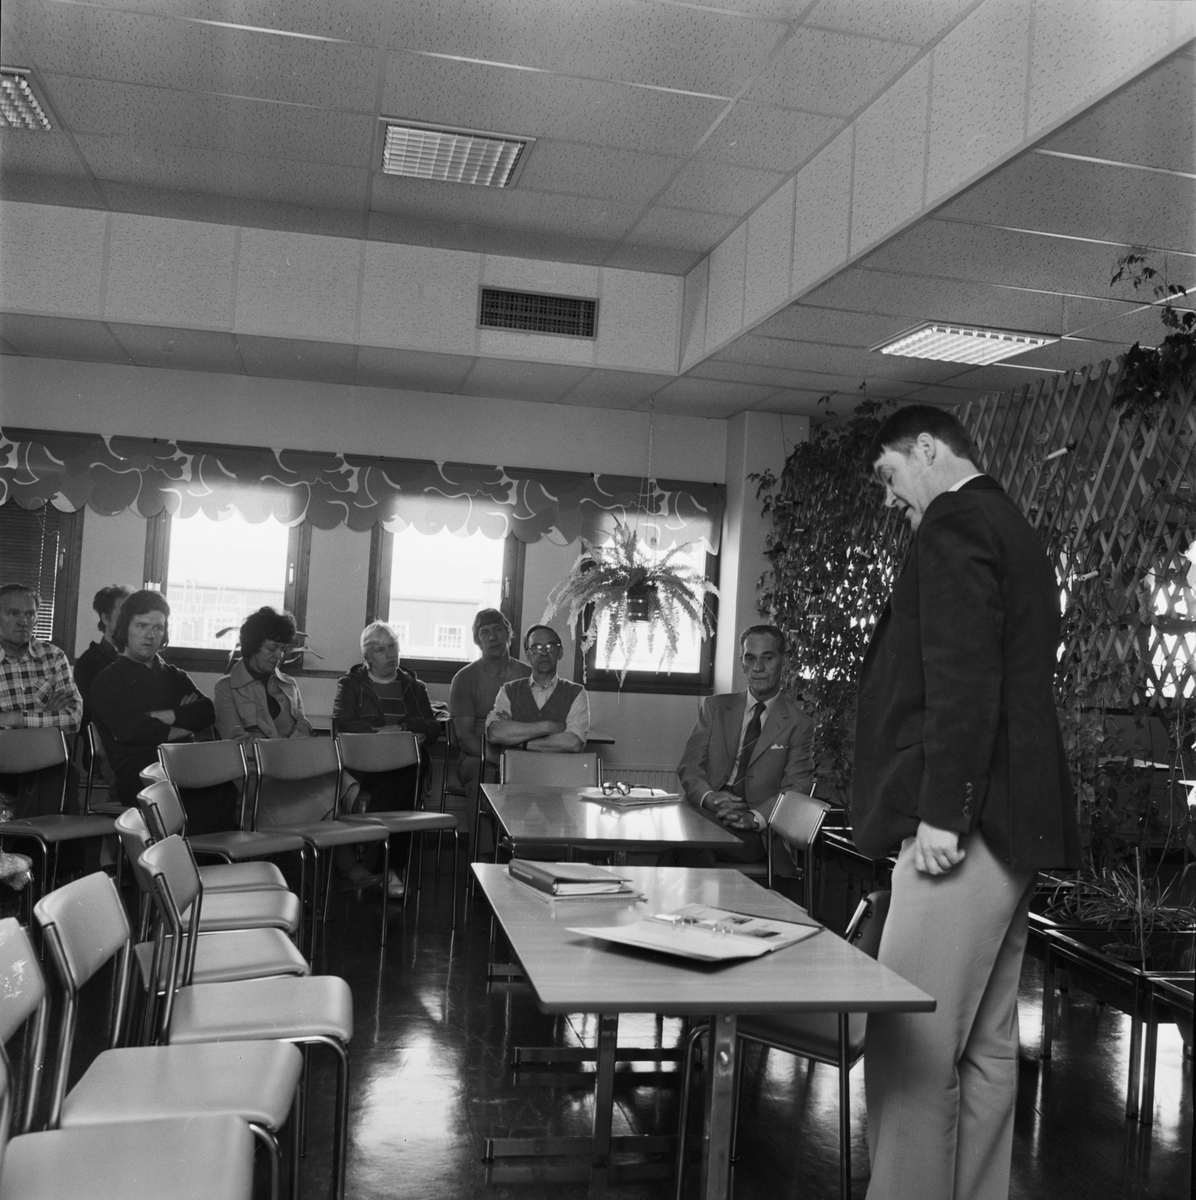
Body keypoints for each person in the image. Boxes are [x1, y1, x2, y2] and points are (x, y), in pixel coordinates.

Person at [853, 405, 1080, 1200]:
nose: (889, 497)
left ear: (927, 449)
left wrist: (943, 814)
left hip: (964, 823)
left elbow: (963, 678)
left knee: (908, 1040)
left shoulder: (954, 521)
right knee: (984, 1045)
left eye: (889, 474)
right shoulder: (1012, 526)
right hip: (1014, 822)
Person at [89, 589, 230, 832]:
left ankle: (210, 856)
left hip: (185, 767)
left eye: (158, 628)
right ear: (125, 628)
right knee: (194, 803)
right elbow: (131, 731)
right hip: (141, 777)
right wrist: (185, 721)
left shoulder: (174, 675)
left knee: (225, 788)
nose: (150, 635)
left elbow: (207, 712)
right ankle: (182, 855)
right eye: (141, 626)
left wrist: (159, 716)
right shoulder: (107, 680)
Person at [675, 624, 814, 867]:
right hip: (708, 811)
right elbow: (690, 765)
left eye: (767, 658)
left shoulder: (798, 724)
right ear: (742, 663)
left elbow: (795, 788)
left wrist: (753, 818)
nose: (757, 668)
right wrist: (710, 798)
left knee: (687, 842)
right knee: (697, 848)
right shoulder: (715, 708)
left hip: (756, 832)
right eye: (750, 658)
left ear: (783, 661)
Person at [333, 621, 441, 898]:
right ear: (368, 657)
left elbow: (432, 727)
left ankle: (377, 862)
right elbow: (343, 723)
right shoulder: (351, 684)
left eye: (393, 646)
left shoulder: (414, 686)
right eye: (381, 650)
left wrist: (406, 728)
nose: (390, 654)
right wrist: (380, 734)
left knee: (405, 770)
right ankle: (389, 867)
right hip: (365, 763)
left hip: (407, 763)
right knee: (397, 782)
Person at [0, 583, 83, 817]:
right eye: (13, 613)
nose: (23, 621)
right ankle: (36, 837)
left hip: (43, 759)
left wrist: (14, 719)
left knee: (61, 770)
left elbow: (73, 719)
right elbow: (60, 720)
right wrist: (46, 717)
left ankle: (35, 838)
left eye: (30, 614)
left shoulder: (53, 657)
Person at [448, 607, 531, 831]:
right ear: (478, 641)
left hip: (521, 756)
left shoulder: (528, 676)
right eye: (485, 632)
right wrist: (499, 760)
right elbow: (464, 738)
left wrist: (516, 761)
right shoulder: (464, 678)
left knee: (538, 776)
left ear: (509, 634)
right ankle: (482, 851)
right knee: (483, 775)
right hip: (475, 757)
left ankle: (518, 847)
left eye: (497, 629)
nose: (492, 637)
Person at [485, 624, 589, 754]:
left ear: (560, 653)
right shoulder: (509, 690)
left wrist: (517, 741)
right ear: (528, 655)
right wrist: (548, 726)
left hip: (558, 767)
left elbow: (574, 743)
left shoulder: (577, 693)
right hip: (516, 767)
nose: (544, 653)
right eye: (536, 647)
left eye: (550, 646)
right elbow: (495, 733)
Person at [214, 606, 312, 743]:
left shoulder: (290, 684)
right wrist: (279, 751)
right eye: (272, 648)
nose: (279, 655)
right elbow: (236, 740)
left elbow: (303, 726)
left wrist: (290, 750)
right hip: (252, 757)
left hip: (293, 755)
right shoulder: (226, 687)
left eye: (283, 649)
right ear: (253, 645)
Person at [73, 584, 131, 731]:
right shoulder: (88, 664)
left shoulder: (145, 657)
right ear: (106, 618)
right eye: (124, 614)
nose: (132, 620)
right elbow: (111, 715)